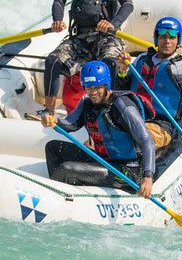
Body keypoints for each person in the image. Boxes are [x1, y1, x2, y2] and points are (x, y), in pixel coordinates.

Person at [40, 60, 156, 198]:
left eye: (97, 87)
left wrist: (148, 177)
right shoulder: (86, 102)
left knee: (67, 169)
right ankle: (71, 192)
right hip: (103, 160)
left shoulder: (123, 106)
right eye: (88, 87)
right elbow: (70, 125)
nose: (93, 92)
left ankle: (56, 199)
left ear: (106, 84)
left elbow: (147, 141)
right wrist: (55, 121)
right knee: (53, 147)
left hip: (126, 171)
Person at [114, 16, 182, 140]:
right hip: (133, 115)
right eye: (163, 37)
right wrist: (121, 70)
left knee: (138, 136)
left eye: (172, 37)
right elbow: (122, 88)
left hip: (162, 124)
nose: (167, 41)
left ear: (178, 41)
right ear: (156, 39)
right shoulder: (141, 59)